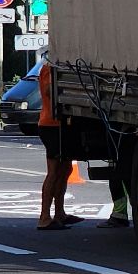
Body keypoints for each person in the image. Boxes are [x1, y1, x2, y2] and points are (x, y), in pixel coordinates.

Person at [34, 57, 80, 231]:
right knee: (53, 171)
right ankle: (44, 217)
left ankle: (60, 212)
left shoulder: (57, 66)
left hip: (60, 125)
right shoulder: (48, 68)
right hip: (51, 125)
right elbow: (48, 91)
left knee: (65, 168)